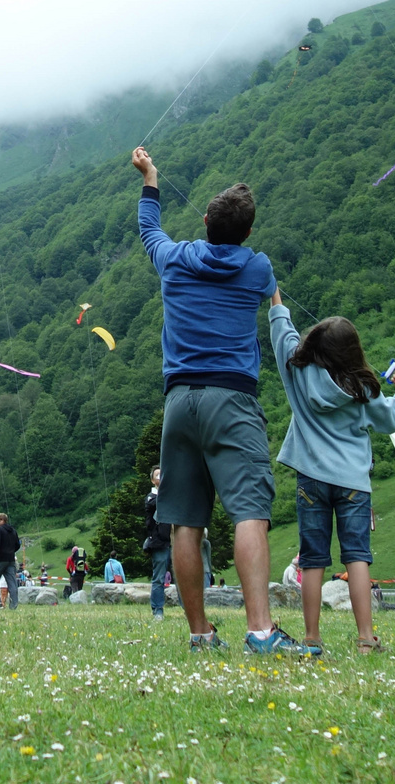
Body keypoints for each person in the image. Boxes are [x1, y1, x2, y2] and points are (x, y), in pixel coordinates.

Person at [133, 146, 315, 656]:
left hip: (178, 403)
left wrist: (150, 178)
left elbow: (150, 229)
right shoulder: (257, 269)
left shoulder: (172, 260)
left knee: (185, 520)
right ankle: (260, 632)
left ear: (206, 220)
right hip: (231, 400)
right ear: (249, 234)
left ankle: (200, 633)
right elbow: (272, 292)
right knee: (250, 512)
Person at [269, 292, 395, 653]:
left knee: (313, 558)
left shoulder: (296, 371)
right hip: (352, 483)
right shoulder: (363, 387)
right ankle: (366, 639)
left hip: (310, 479)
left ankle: (311, 638)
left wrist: (275, 297)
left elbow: (281, 332)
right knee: (357, 556)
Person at [145, 465, 172, 620]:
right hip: (159, 542)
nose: (160, 478)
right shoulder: (151, 498)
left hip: (174, 541)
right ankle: (157, 610)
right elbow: (157, 504)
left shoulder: (169, 496)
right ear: (152, 480)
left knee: (183, 577)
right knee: (159, 578)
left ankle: (187, 608)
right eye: (157, 475)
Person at [0, 513, 20, 610]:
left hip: (1, 559)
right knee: (12, 582)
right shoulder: (13, 530)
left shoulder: (0, 530)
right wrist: (11, 552)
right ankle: (14, 605)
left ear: (2, 520)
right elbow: (18, 545)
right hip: (11, 559)